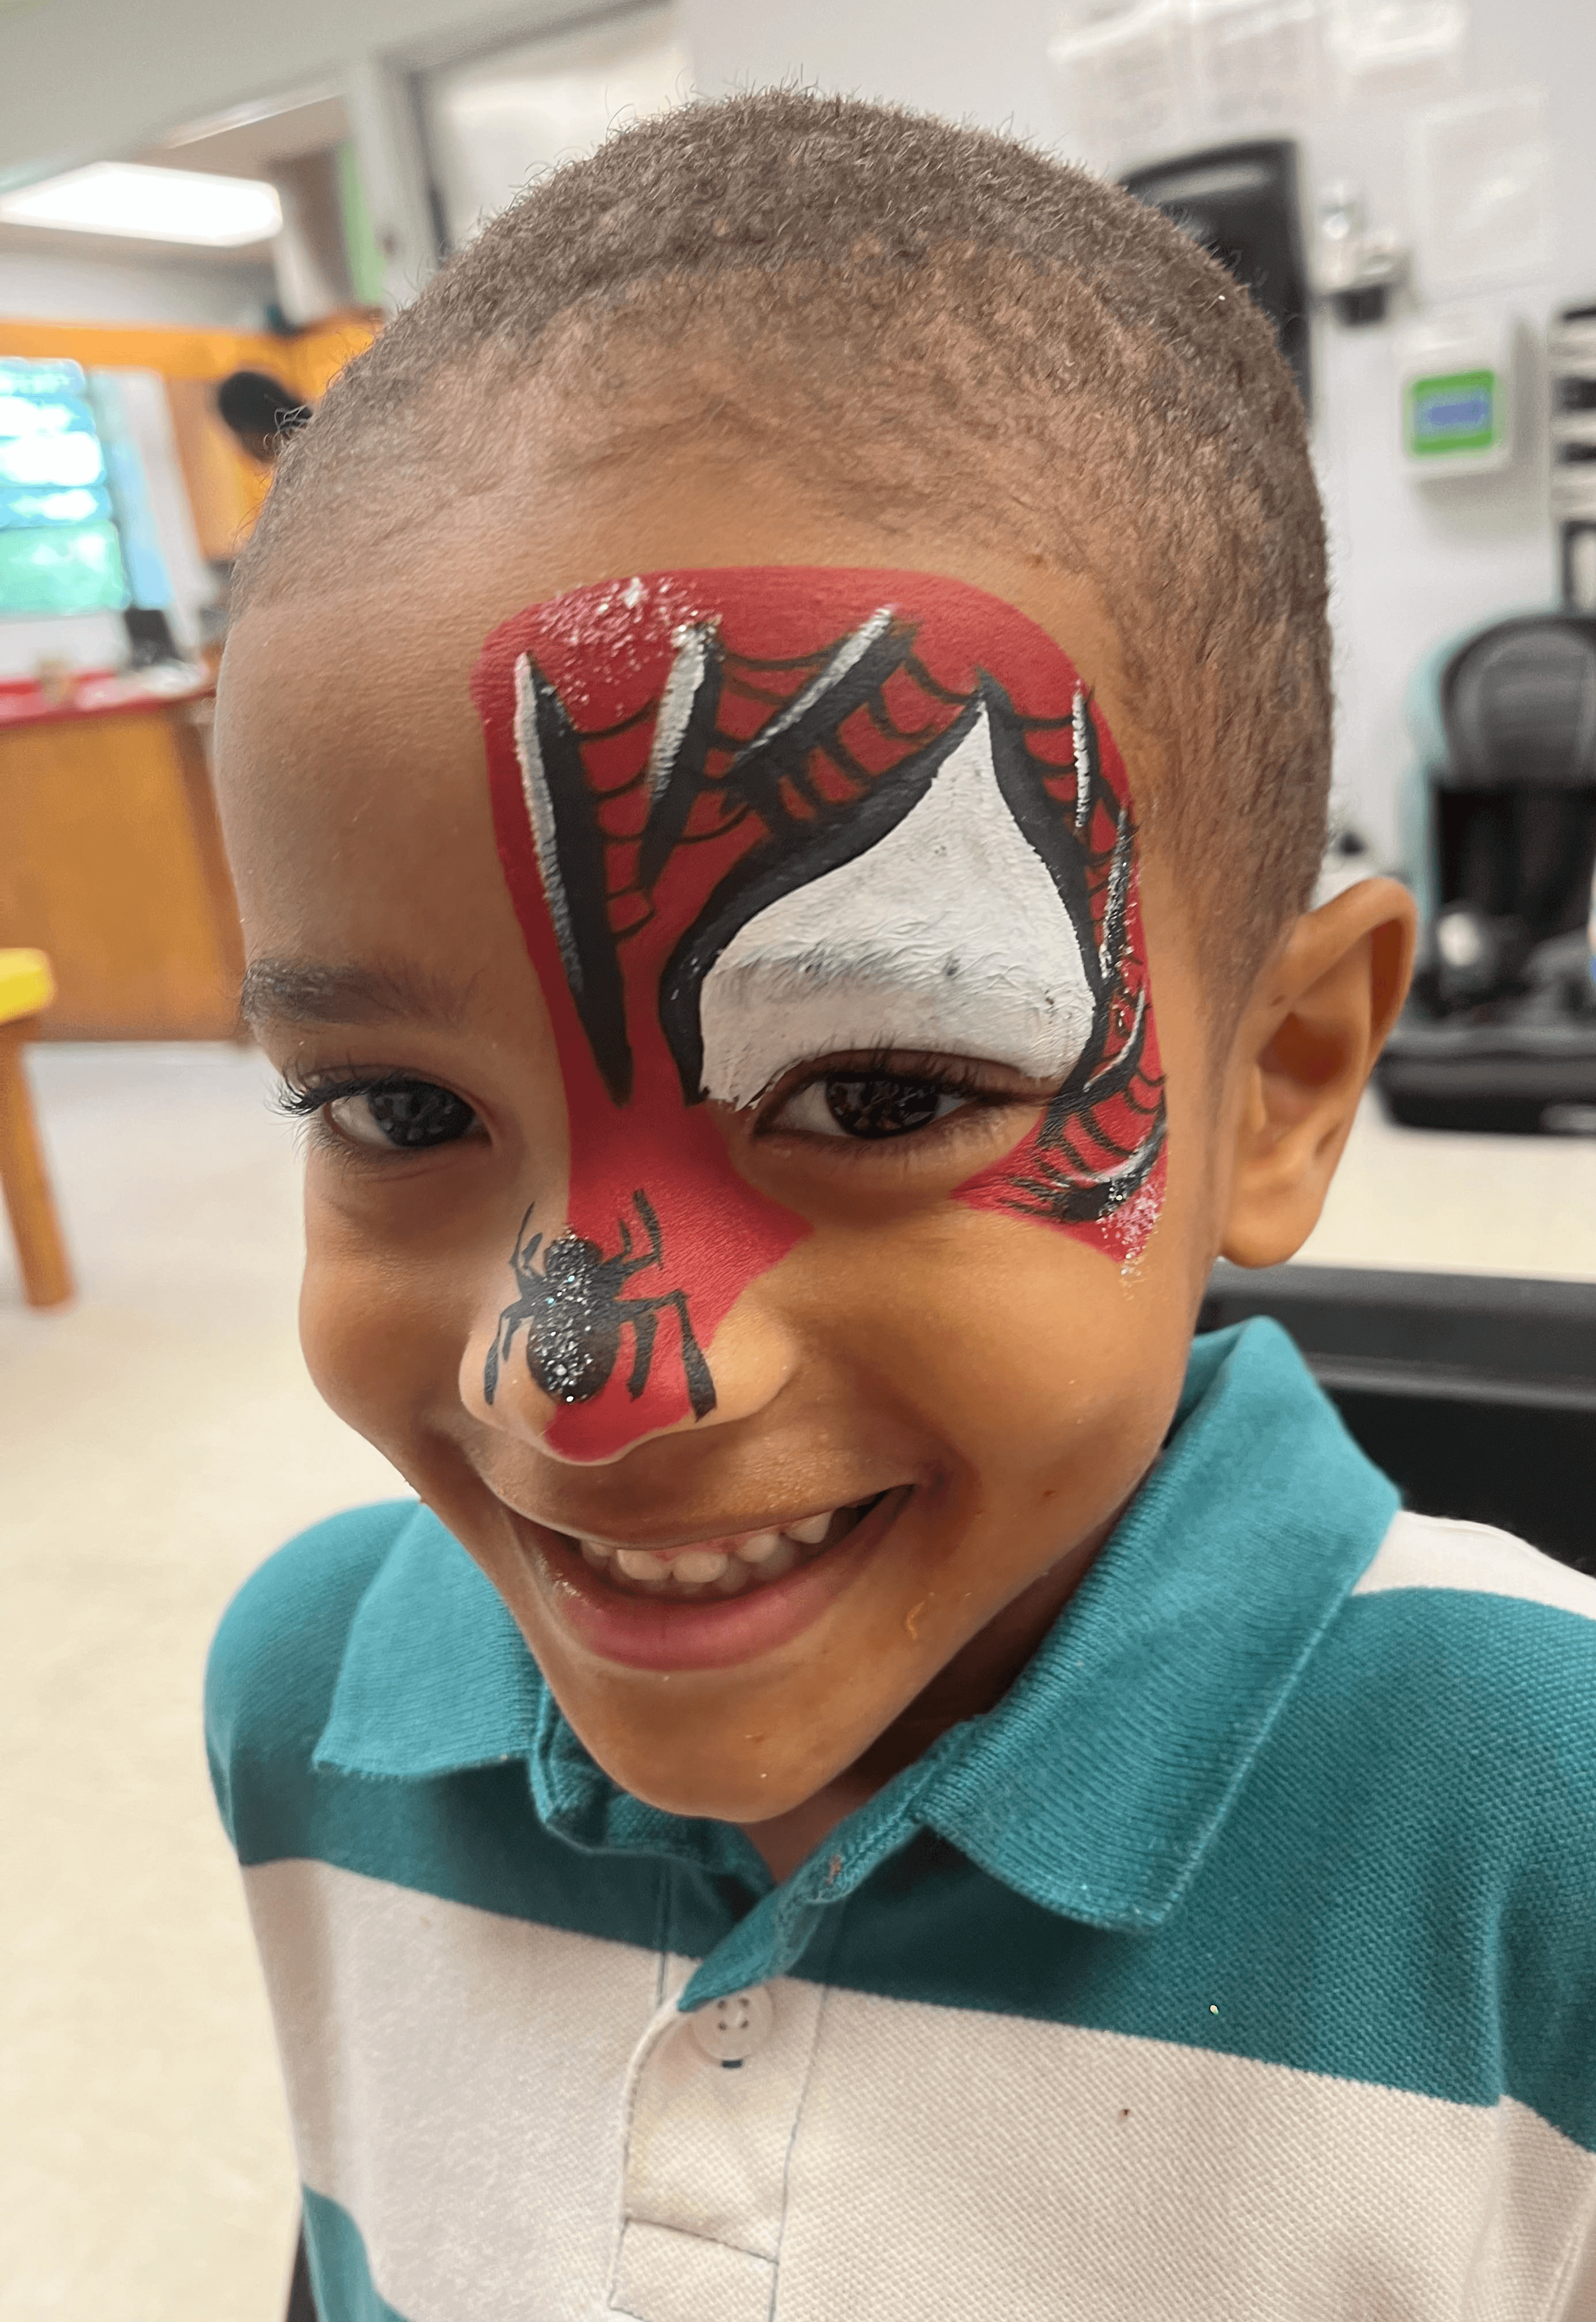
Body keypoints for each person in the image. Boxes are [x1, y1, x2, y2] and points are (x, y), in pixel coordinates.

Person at [204, 91, 1596, 2321]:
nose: (580, 1384)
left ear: (1287, 1080)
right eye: (387, 1106)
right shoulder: (308, 1707)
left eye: (875, 1088)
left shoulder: (1553, 1834)